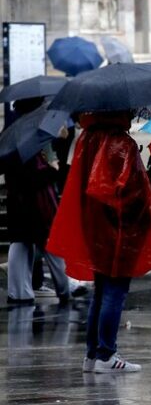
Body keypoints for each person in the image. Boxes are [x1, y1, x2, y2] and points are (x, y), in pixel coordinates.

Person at [47, 110, 151, 373]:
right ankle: (106, 354)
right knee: (115, 290)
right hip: (119, 229)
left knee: (101, 290)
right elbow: (131, 193)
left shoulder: (88, 139)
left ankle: (93, 354)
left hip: (94, 227)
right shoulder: (119, 143)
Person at [5, 100, 70, 304]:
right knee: (50, 246)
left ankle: (20, 292)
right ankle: (65, 288)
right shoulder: (29, 136)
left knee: (22, 246)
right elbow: (32, 177)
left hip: (21, 204)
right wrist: (53, 170)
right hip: (36, 205)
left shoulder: (16, 134)